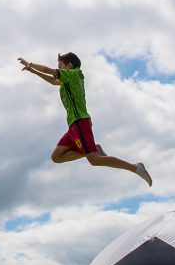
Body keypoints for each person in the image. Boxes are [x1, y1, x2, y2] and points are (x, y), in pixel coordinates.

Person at [18, 52, 152, 186]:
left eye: (60, 66)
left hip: (80, 123)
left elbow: (49, 71)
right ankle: (94, 148)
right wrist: (33, 71)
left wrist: (30, 64)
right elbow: (54, 81)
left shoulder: (74, 74)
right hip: (73, 125)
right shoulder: (67, 79)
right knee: (57, 157)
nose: (58, 69)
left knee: (94, 160)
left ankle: (135, 168)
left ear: (69, 65)